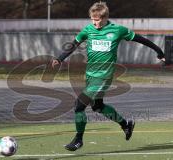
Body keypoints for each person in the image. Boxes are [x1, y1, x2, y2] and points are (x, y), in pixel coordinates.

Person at [52, 2, 165, 151]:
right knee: (98, 107)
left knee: (79, 106)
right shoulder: (88, 30)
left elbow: (141, 39)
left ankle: (78, 139)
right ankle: (126, 125)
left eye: (98, 20)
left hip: (104, 77)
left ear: (105, 18)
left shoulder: (117, 30)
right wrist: (60, 58)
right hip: (90, 75)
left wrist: (159, 52)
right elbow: (74, 44)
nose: (95, 23)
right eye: (93, 19)